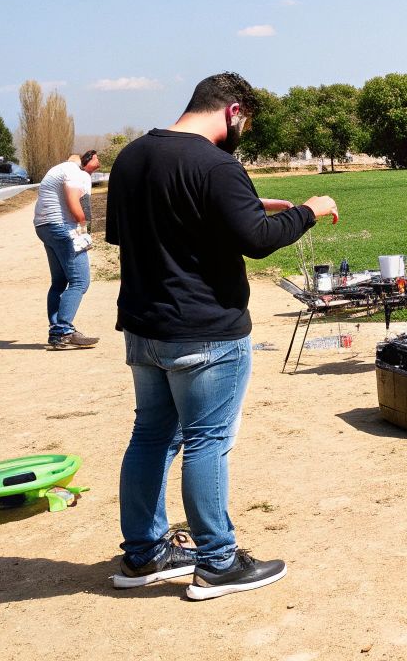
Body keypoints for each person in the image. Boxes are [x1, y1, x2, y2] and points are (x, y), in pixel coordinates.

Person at [106, 72, 339, 600]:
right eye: (245, 123)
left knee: (150, 437)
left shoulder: (133, 157)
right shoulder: (216, 164)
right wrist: (309, 211)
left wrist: (248, 207)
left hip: (144, 328)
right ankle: (218, 562)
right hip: (205, 332)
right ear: (233, 111)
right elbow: (256, 242)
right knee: (206, 442)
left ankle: (144, 554)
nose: (242, 134)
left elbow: (149, 230)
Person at [33, 150, 103, 350]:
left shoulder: (57, 170)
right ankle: (63, 330)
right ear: (86, 160)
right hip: (62, 227)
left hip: (45, 227)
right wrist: (83, 225)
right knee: (80, 281)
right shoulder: (72, 171)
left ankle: (57, 331)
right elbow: (74, 202)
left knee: (59, 282)